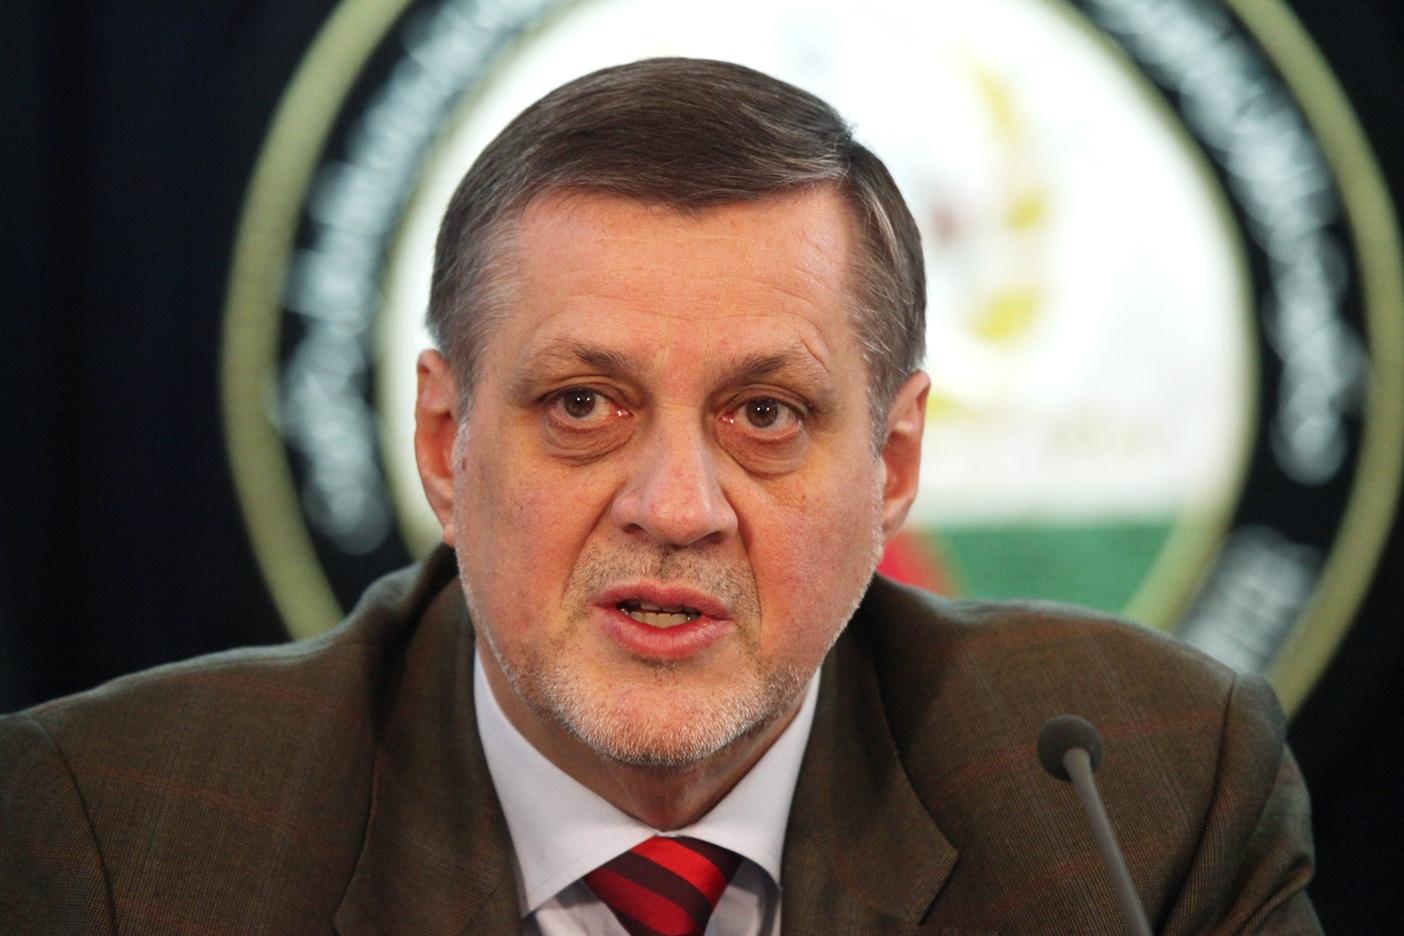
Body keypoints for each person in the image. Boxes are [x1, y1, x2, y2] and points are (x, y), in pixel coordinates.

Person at [0, 58, 1318, 935]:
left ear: (894, 465)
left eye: (765, 415)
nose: (678, 509)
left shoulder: (1145, 801)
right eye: (584, 405)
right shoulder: (119, 839)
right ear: (447, 444)